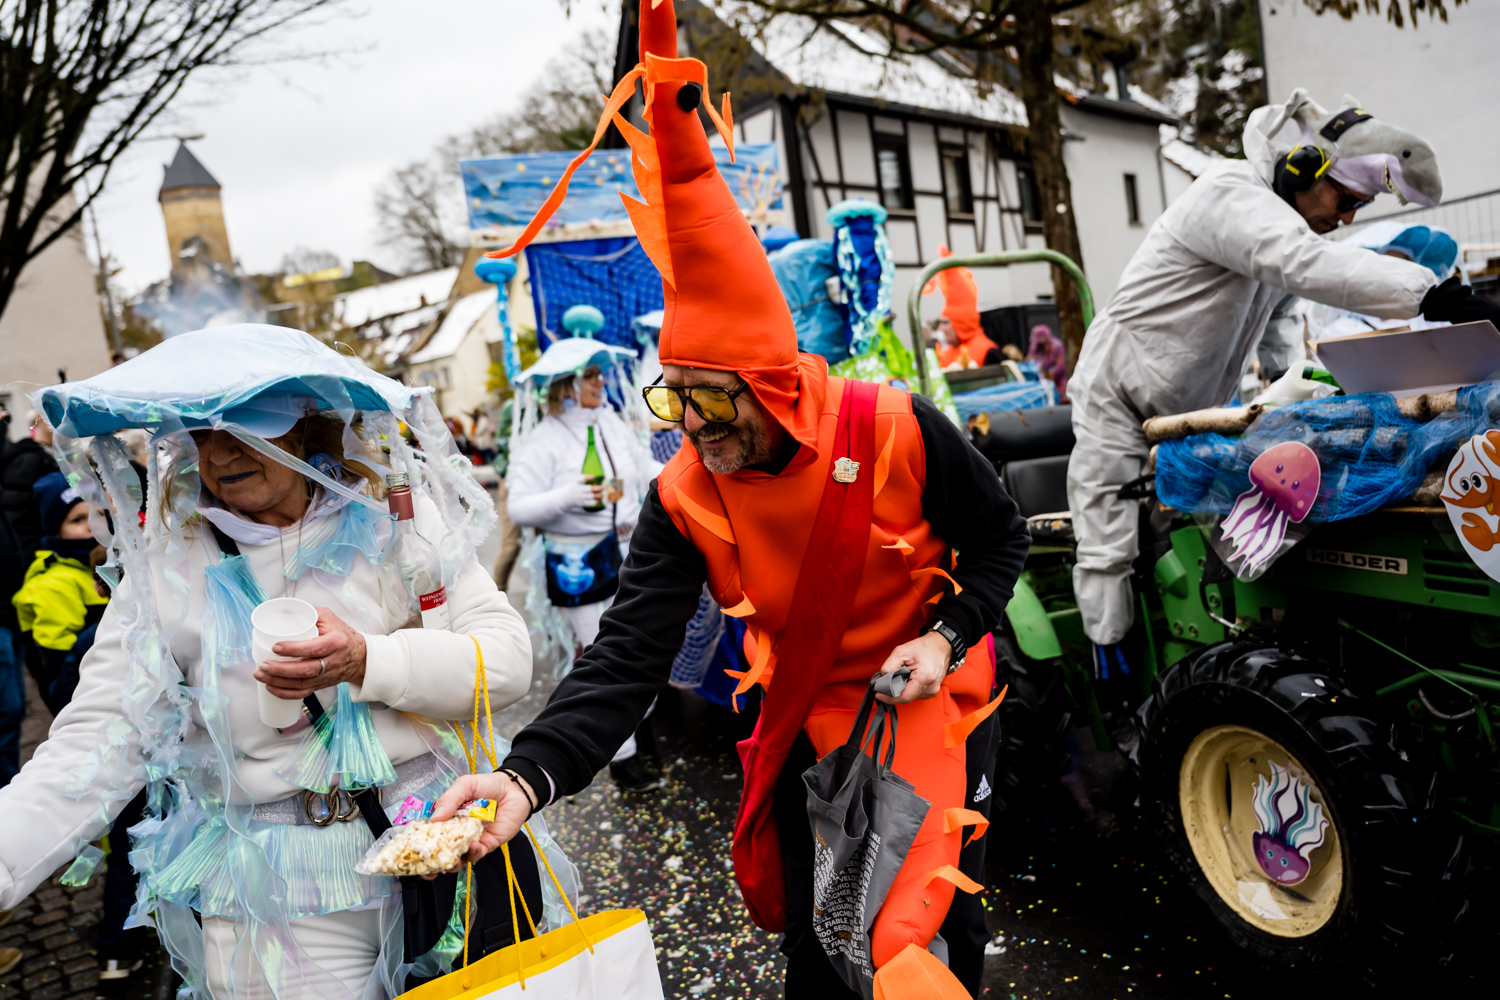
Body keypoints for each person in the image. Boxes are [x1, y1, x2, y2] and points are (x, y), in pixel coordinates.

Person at [429, 4, 1030, 996]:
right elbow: (628, 654)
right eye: (675, 397)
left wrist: (947, 637)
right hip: (806, 725)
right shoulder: (685, 495)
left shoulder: (896, 426)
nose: (693, 425)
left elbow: (1002, 539)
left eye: (712, 399)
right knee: (821, 951)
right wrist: (527, 775)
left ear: (776, 383)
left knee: (922, 936)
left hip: (929, 707)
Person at [0, 325, 535, 999]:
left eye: (243, 427)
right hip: (278, 893)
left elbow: (506, 662)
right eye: (198, 432)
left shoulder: (395, 520)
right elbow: (95, 742)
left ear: (306, 427)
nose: (218, 452)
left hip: (441, 852)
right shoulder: (169, 566)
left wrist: (368, 660)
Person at [1067, 88, 1500, 649]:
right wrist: (1438, 297)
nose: (1346, 218)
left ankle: (1180, 653)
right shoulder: (1229, 195)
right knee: (1109, 547)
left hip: (1186, 414)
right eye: (1345, 199)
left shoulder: (1278, 226)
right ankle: (1110, 666)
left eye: (1358, 208)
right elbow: (1304, 263)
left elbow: (1279, 322)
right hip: (1118, 399)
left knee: (1172, 538)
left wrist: (1292, 392)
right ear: (1301, 168)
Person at [505, 336, 662, 790]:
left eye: (600, 373)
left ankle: (644, 733)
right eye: (590, 375)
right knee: (603, 656)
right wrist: (567, 497)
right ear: (567, 384)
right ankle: (624, 759)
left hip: (630, 549)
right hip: (578, 561)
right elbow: (518, 508)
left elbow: (642, 466)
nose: (601, 381)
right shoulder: (544, 439)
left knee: (643, 645)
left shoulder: (610, 420)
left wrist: (680, 473)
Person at [927, 246, 999, 370]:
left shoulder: (988, 352)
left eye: (945, 323)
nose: (940, 328)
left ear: (960, 324)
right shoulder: (946, 354)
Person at [0, 412, 60, 556]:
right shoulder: (28, 460)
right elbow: (19, 518)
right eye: (58, 416)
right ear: (41, 420)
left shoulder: (52, 457)